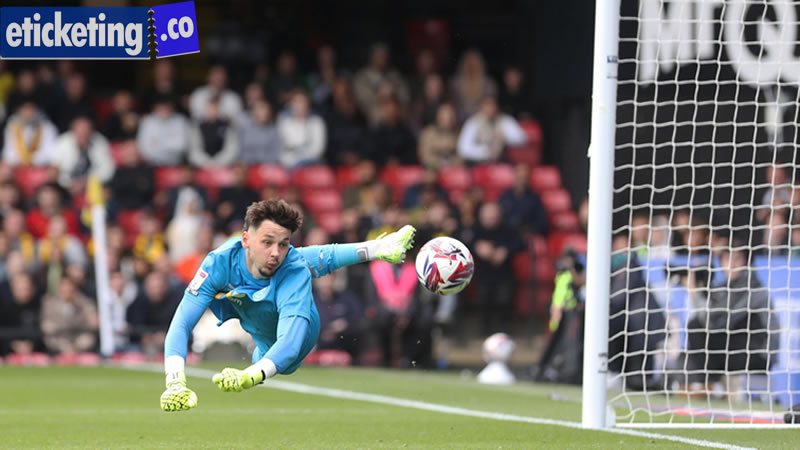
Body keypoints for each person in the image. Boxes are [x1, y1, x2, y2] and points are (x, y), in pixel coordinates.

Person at [159, 199, 416, 412]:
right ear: (245, 239)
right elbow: (182, 322)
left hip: (298, 338)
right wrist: (175, 382)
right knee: (303, 258)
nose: (275, 252)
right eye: (267, 242)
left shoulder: (294, 272)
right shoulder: (218, 263)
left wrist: (250, 375)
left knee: (298, 262)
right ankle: (378, 247)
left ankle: (377, 247)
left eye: (283, 243)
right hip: (263, 339)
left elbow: (290, 346)